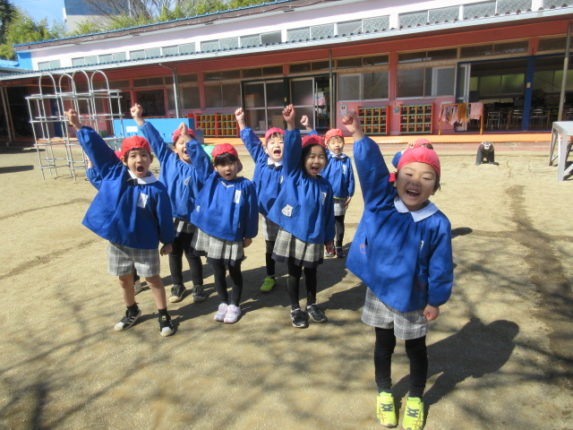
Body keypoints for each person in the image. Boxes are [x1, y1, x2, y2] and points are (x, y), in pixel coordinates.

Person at [343, 113, 453, 430]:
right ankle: (384, 393)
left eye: (427, 177)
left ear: (435, 186)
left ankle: (416, 397)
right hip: (380, 291)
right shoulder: (381, 204)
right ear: (397, 178)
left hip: (414, 298)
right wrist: (359, 135)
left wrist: (435, 300)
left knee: (416, 349)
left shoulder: (437, 223)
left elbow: (441, 266)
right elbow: (371, 171)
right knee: (383, 346)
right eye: (409, 173)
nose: (415, 181)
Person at [67, 109, 176, 337]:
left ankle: (163, 313)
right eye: (133, 156)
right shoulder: (115, 174)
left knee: (153, 279)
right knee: (124, 280)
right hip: (118, 241)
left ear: (150, 159)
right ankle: (131, 309)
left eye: (144, 155)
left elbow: (164, 217)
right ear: (124, 160)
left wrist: (168, 240)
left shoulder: (157, 189)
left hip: (145, 242)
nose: (139, 160)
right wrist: (79, 126)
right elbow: (99, 149)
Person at [130, 104, 210, 304]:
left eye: (189, 142)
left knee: (192, 254)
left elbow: (201, 158)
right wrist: (140, 120)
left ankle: (198, 286)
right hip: (169, 217)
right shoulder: (168, 159)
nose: (185, 145)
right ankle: (177, 285)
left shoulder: (201, 166)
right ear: (174, 148)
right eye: (181, 142)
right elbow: (155, 139)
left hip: (192, 218)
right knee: (173, 253)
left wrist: (190, 140)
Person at [267, 105, 335, 329]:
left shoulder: (325, 186)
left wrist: (329, 238)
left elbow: (328, 214)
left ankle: (312, 304)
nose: (316, 160)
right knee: (294, 273)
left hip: (314, 235)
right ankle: (295, 308)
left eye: (321, 157)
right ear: (302, 159)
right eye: (311, 156)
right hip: (293, 232)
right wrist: (291, 125)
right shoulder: (294, 174)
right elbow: (292, 150)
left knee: (312, 272)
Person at [188, 141, 258, 324]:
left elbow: (251, 212)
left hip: (233, 236)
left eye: (231, 163)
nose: (227, 168)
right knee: (218, 271)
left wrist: (249, 234)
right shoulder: (211, 180)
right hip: (213, 235)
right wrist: (190, 141)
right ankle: (223, 302)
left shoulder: (246, 185)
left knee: (234, 270)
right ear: (215, 167)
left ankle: (235, 304)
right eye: (222, 164)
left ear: (237, 163)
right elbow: (199, 160)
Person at [235, 107, 285, 293]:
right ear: (266, 148)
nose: (277, 145)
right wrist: (241, 123)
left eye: (281, 142)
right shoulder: (262, 160)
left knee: (289, 245)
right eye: (272, 142)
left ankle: (294, 274)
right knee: (270, 245)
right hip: (267, 213)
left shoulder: (290, 166)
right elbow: (251, 142)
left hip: (287, 214)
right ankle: (270, 276)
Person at [85, 154, 146, 295]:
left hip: (131, 227)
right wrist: (90, 162)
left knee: (133, 258)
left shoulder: (133, 182)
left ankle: (135, 282)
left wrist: (90, 163)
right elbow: (94, 179)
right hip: (123, 228)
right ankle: (135, 282)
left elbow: (94, 179)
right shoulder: (113, 184)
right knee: (129, 259)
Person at [320, 128, 355, 258]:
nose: (337, 145)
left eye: (339, 142)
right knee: (327, 222)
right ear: (327, 144)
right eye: (333, 142)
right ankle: (329, 247)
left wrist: (350, 193)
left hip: (341, 196)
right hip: (326, 197)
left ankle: (339, 246)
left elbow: (350, 177)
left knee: (339, 222)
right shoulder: (325, 158)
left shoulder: (346, 160)